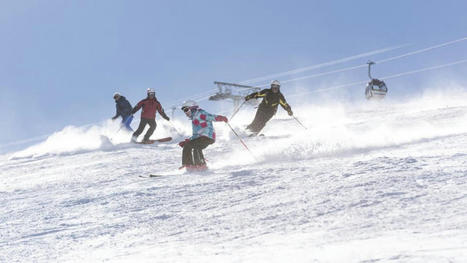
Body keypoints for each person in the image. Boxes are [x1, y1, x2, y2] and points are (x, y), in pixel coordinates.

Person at [178, 100, 228, 171]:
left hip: (207, 136)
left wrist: (221, 118)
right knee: (193, 146)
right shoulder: (194, 119)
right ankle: (195, 165)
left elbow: (211, 117)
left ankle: (196, 165)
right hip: (201, 138)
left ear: (192, 108)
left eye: (186, 109)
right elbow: (195, 134)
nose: (185, 112)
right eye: (184, 111)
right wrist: (188, 140)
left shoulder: (200, 113)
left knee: (192, 145)